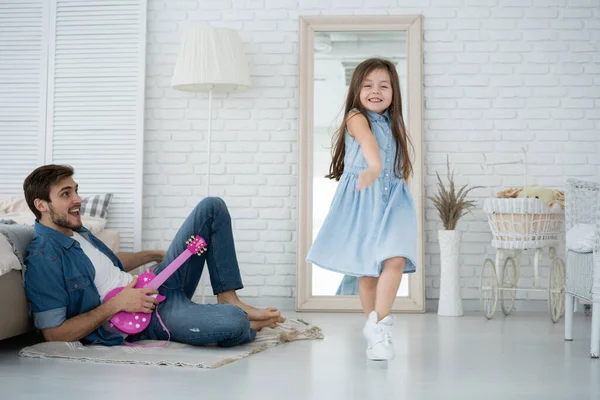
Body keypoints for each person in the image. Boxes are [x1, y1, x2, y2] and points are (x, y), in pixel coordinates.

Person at [23, 164, 284, 347]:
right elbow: (54, 334)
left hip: (157, 282)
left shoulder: (76, 230)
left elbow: (109, 265)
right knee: (234, 323)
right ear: (41, 205)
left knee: (212, 207)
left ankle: (230, 299)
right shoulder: (43, 258)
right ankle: (243, 322)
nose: (78, 199)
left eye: (76, 190)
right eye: (66, 194)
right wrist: (118, 304)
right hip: (145, 316)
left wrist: (158, 255)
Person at [306, 58, 417, 361]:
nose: (375, 91)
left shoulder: (394, 124)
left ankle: (378, 324)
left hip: (392, 200)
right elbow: (367, 142)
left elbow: (399, 164)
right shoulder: (356, 117)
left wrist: (400, 186)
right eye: (367, 85)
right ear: (356, 91)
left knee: (395, 259)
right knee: (367, 271)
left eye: (384, 85)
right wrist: (374, 166)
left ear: (394, 92)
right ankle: (376, 335)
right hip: (364, 195)